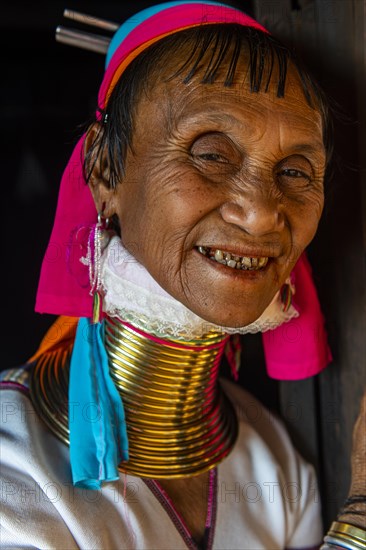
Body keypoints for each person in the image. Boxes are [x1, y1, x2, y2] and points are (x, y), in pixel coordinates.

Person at [1, 2, 365, 549]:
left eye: (294, 171)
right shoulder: (15, 464)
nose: (263, 211)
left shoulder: (275, 466)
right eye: (212, 154)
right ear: (105, 170)